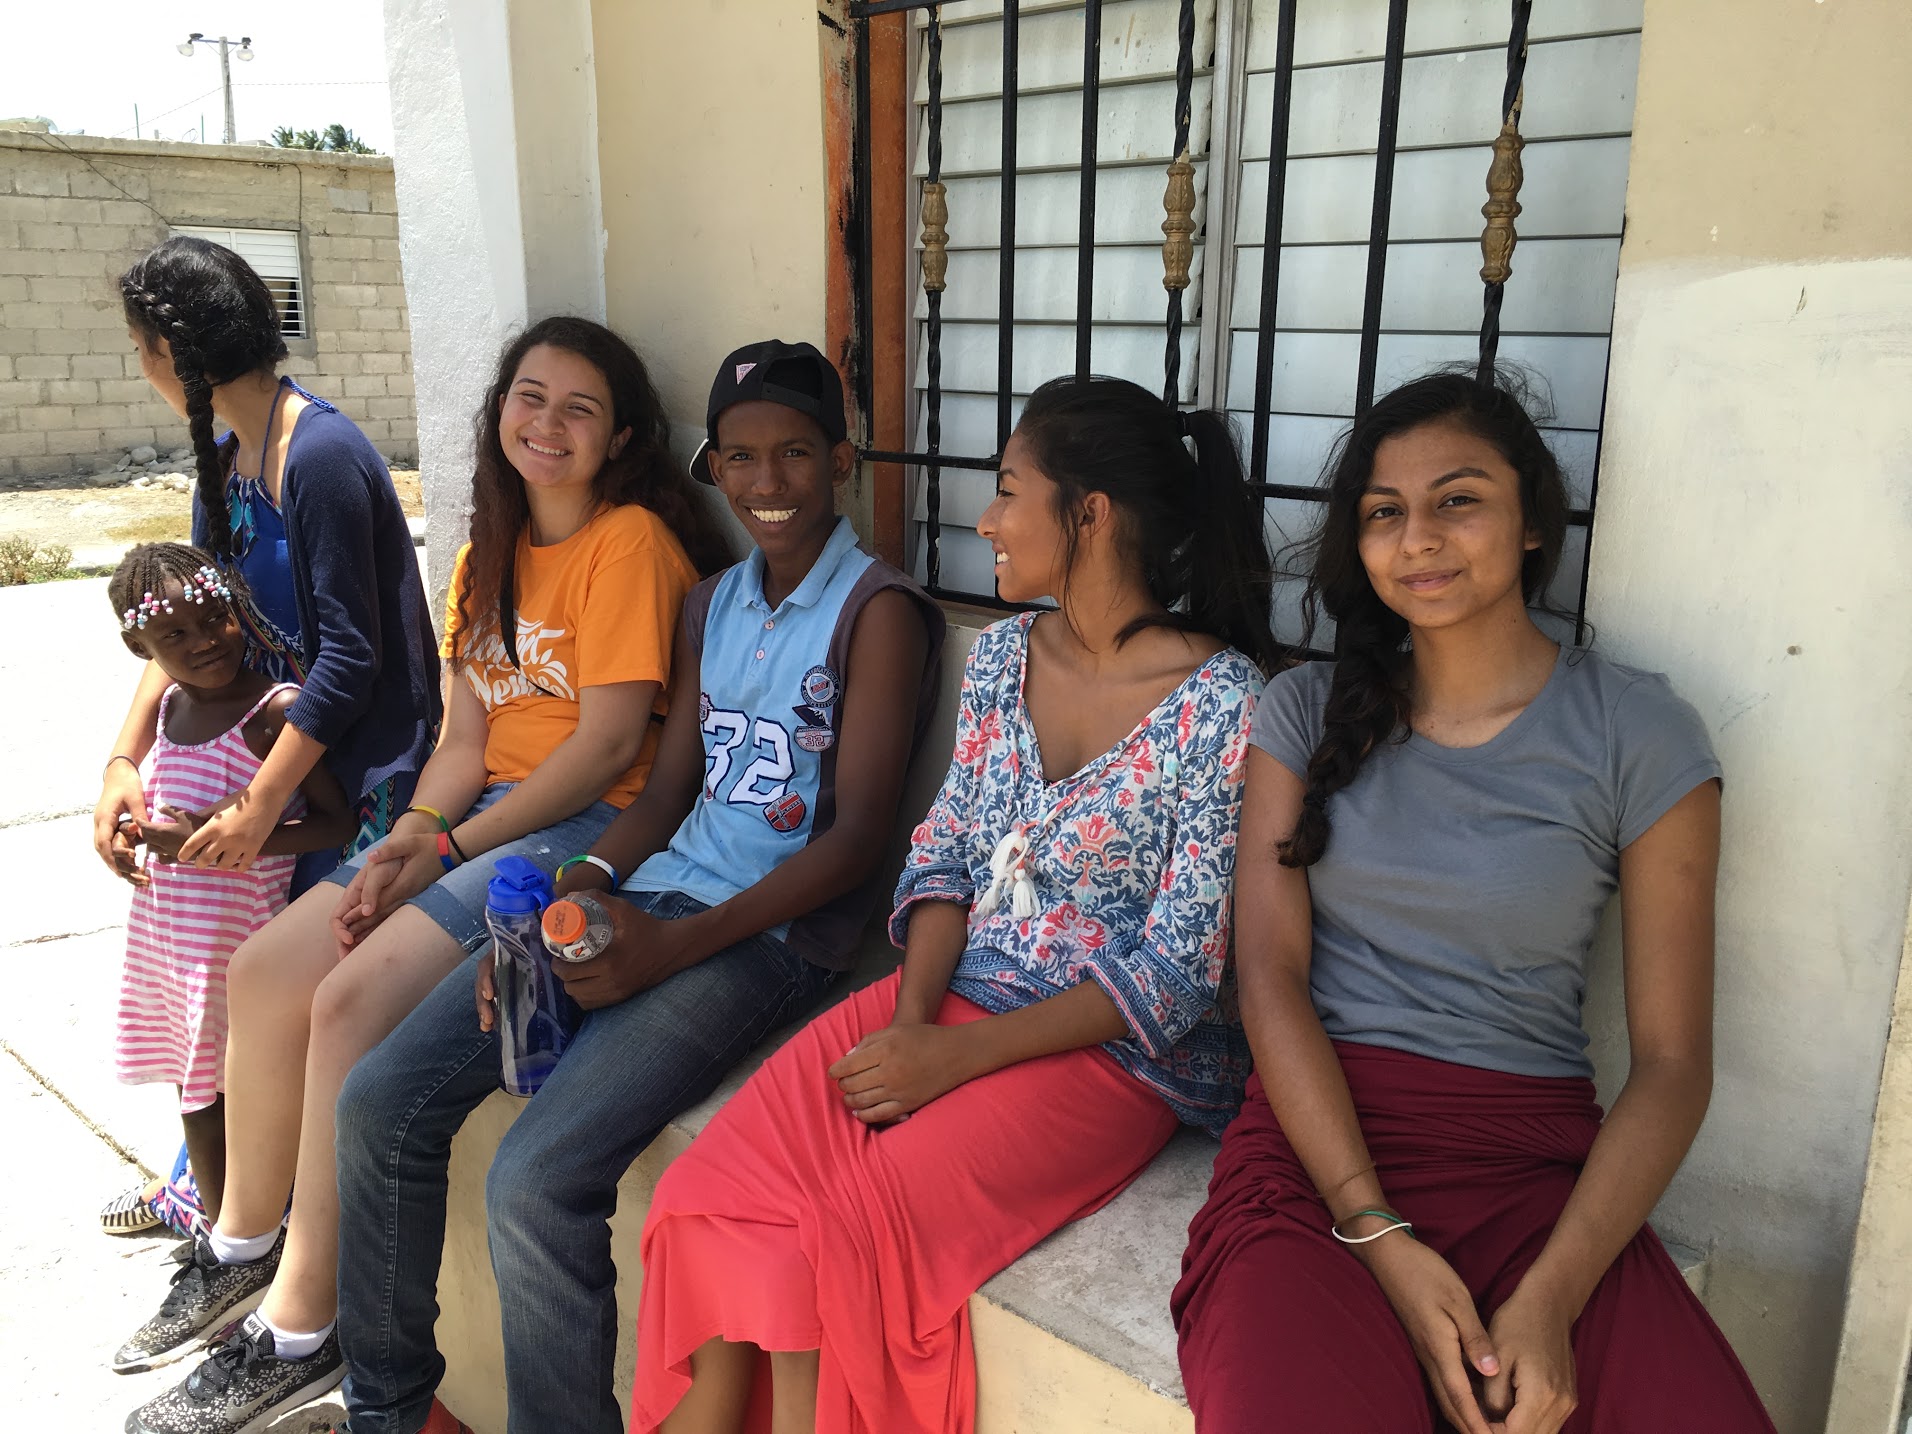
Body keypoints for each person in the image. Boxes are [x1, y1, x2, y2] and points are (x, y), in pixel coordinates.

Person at [631, 374, 1283, 1433]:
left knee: (844, 1231)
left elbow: (1173, 977)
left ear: (1089, 515)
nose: (986, 519)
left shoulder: (1223, 703)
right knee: (714, 1193)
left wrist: (956, 1058)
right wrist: (912, 1022)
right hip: (953, 996)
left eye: (1009, 490)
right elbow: (942, 856)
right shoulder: (1003, 659)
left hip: (1111, 1056)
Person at [119, 317, 732, 1434]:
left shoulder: (630, 544)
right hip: (482, 815)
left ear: (621, 437)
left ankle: (306, 1323)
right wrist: (415, 832)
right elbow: (465, 739)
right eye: (530, 397)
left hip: (585, 827)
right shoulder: (483, 553)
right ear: (498, 412)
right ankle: (242, 1250)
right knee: (266, 972)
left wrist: (450, 850)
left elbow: (606, 748)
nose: (547, 424)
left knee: (346, 1000)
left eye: (580, 409)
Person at [331, 339, 944, 1434]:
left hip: (768, 941)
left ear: (841, 462)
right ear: (713, 466)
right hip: (652, 896)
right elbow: (663, 795)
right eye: (740, 457)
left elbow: (856, 844)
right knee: (380, 1102)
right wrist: (567, 895)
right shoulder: (711, 604)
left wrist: (667, 947)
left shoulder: (878, 609)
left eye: (795, 454)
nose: (766, 482)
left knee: (536, 1180)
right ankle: (387, 1413)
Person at [1171, 372, 1774, 1434]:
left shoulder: (1637, 733)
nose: (1419, 539)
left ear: (1532, 521)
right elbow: (1269, 979)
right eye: (1384, 513)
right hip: (1319, 1162)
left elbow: (1674, 1064)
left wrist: (1553, 1297)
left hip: (1536, 1175)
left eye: (1458, 499)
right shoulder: (1303, 712)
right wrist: (1372, 1229)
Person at [96, 234, 442, 1237]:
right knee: (197, 946)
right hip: (278, 763)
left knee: (269, 976)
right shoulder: (225, 462)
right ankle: (211, 1181)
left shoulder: (320, 456)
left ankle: (250, 1221)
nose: (141, 365)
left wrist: (256, 807)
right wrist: (124, 762)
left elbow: (351, 662)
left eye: (140, 346)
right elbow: (186, 623)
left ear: (169, 352)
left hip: (361, 781)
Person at [104, 543, 355, 1234]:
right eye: (175, 634)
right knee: (192, 1085)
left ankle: (230, 1242)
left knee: (216, 1097)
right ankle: (215, 1222)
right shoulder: (164, 712)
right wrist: (136, 835)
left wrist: (221, 839)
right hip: (167, 943)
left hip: (231, 945)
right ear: (140, 648)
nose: (205, 641)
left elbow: (335, 821)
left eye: (216, 617)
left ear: (238, 610)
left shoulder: (275, 712)